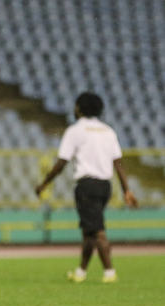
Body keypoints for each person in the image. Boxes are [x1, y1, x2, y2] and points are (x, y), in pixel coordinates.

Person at [35, 92, 138, 283]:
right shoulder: (108, 131)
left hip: (87, 185)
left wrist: (43, 184)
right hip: (105, 186)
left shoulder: (75, 131)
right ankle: (81, 272)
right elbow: (118, 163)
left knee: (96, 229)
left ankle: (109, 271)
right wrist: (126, 190)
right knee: (89, 230)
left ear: (79, 109)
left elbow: (61, 163)